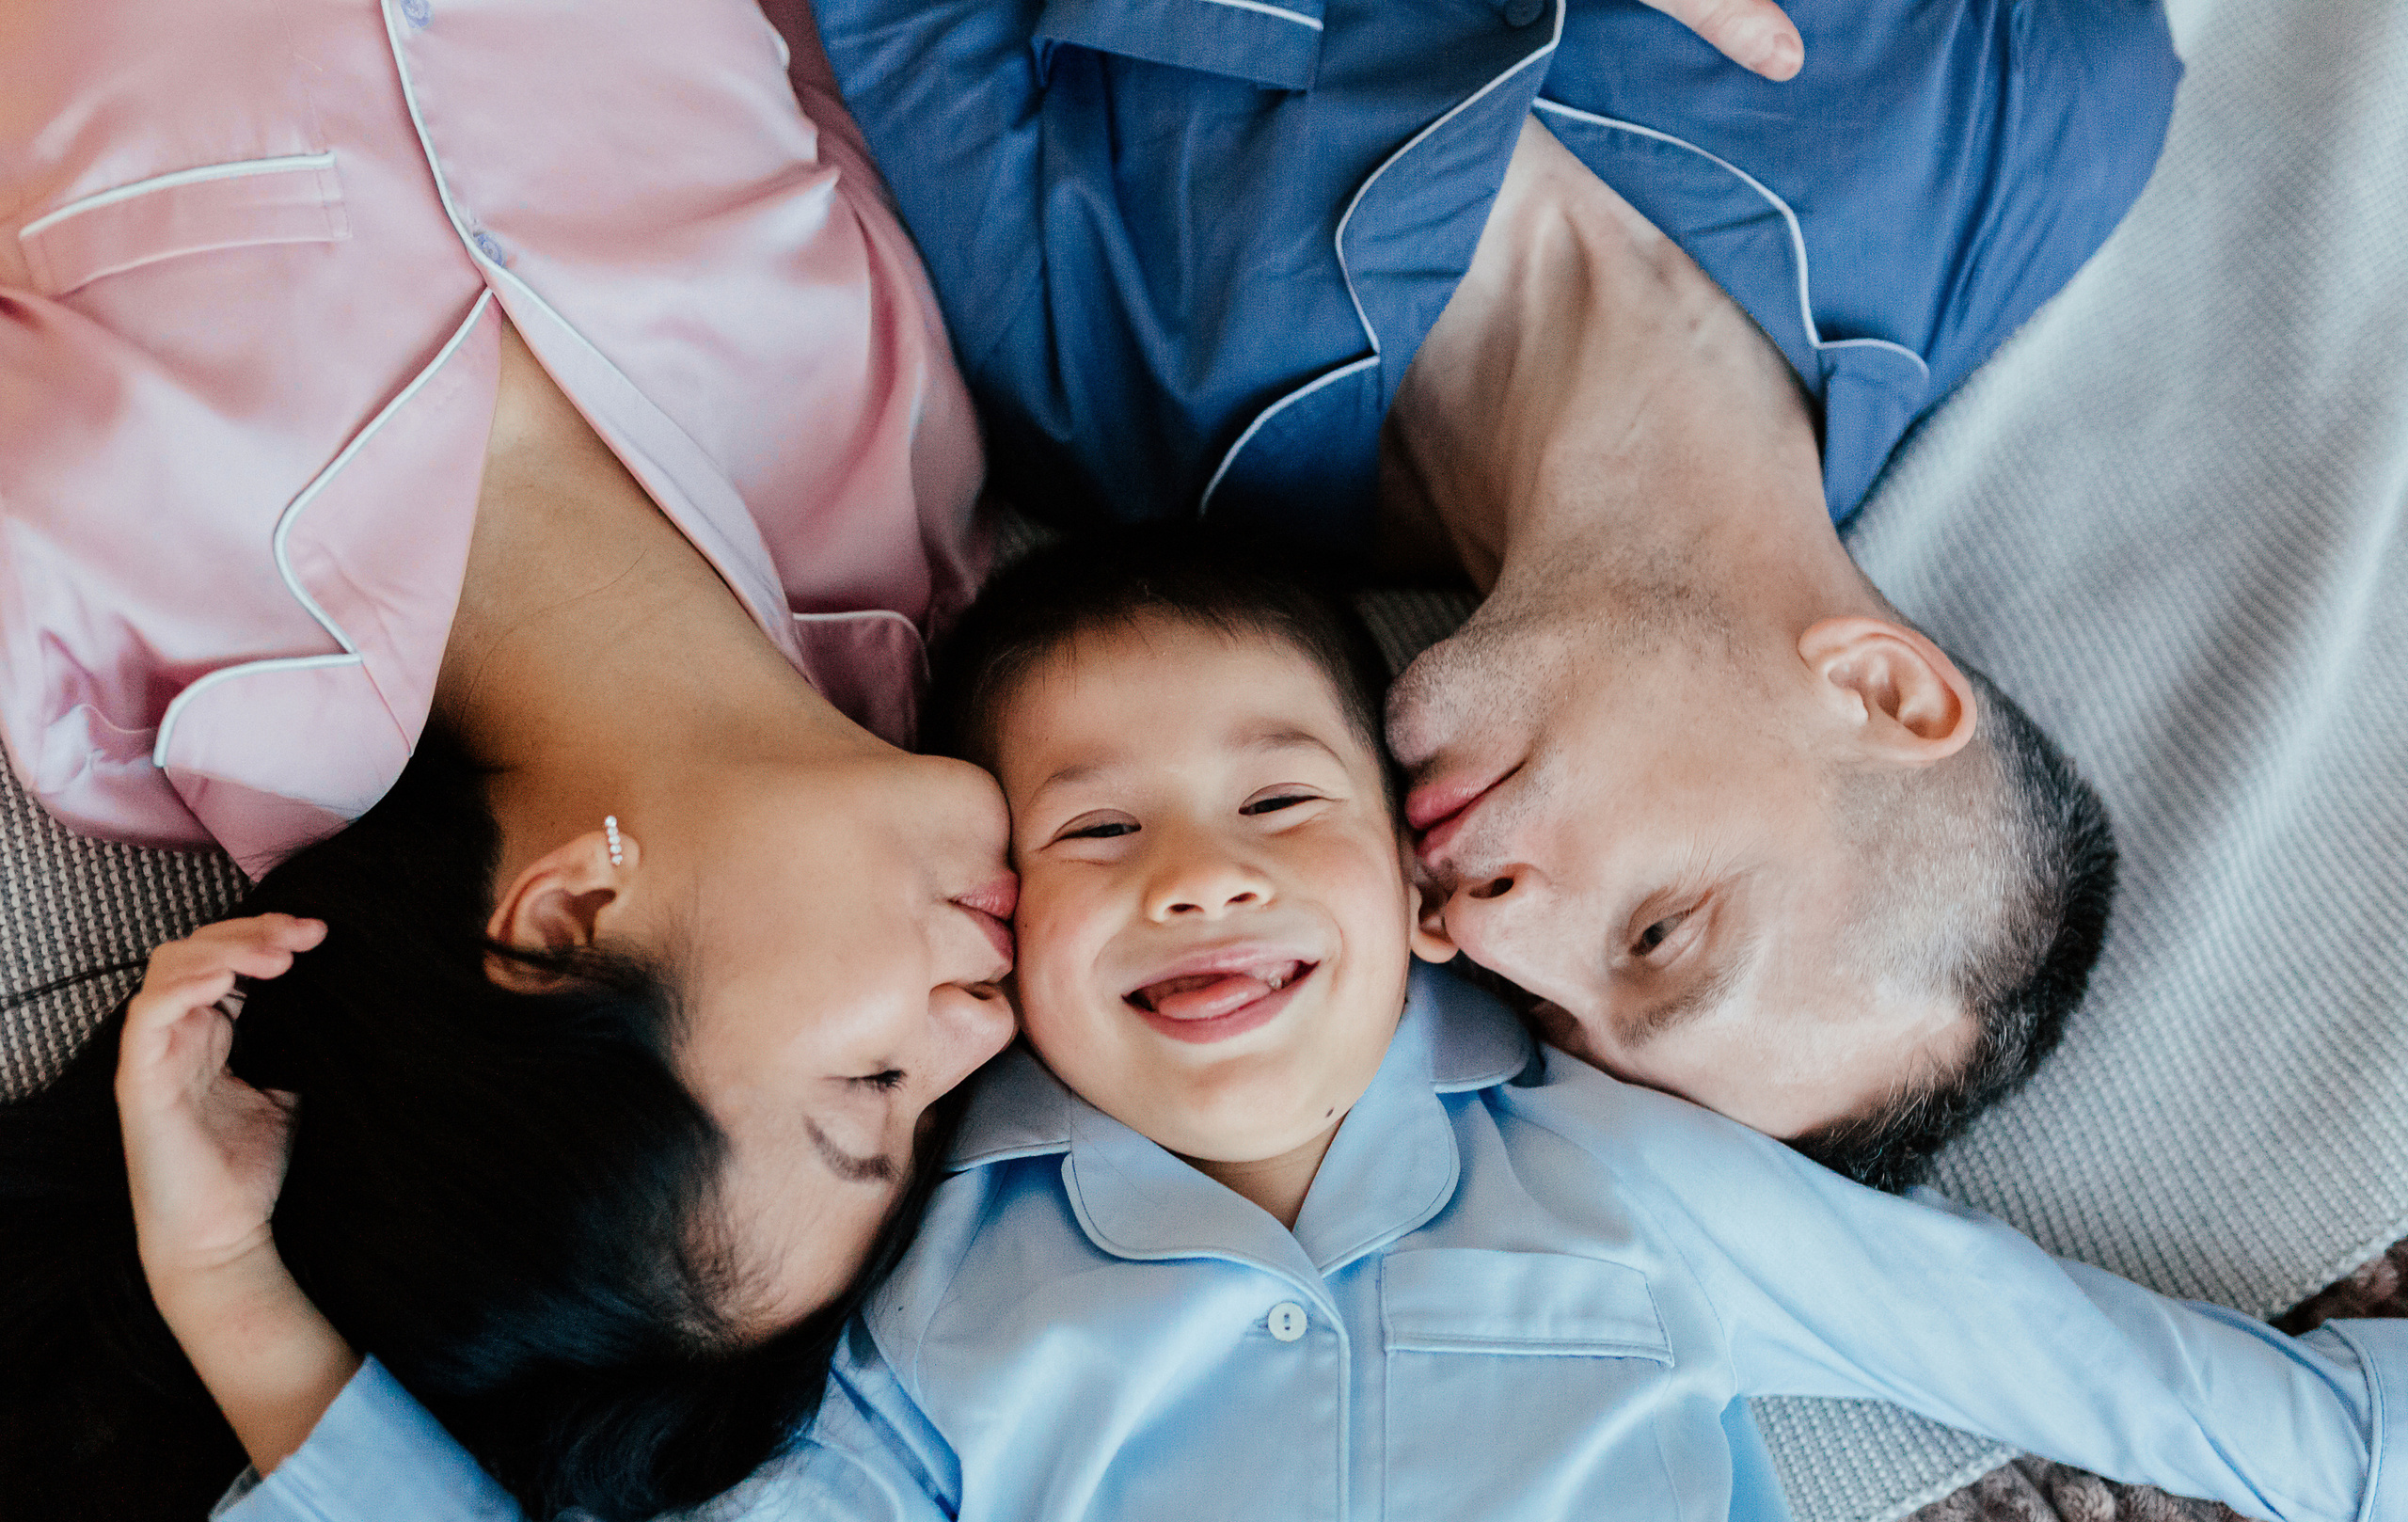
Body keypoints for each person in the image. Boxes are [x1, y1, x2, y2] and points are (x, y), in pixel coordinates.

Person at [178, 542, 2404, 1522]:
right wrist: (224, 1285)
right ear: (996, 924)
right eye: (1091, 833)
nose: (1195, 886)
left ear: (1423, 888)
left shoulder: (1630, 1184)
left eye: (1279, 808)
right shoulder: (936, 1310)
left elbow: (2108, 1379)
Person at [801, 0, 2170, 1183]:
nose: (1476, 931)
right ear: (1880, 688)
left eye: (1557, 1018)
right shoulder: (2034, 140)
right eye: (1657, 932)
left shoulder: (1102, 396)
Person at [0, 0, 1018, 1522]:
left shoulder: (89, 651)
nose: (985, 1032)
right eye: (939, 1120)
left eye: (873, 1090)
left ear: (569, 916)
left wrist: (227, 1290)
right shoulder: (915, 509)